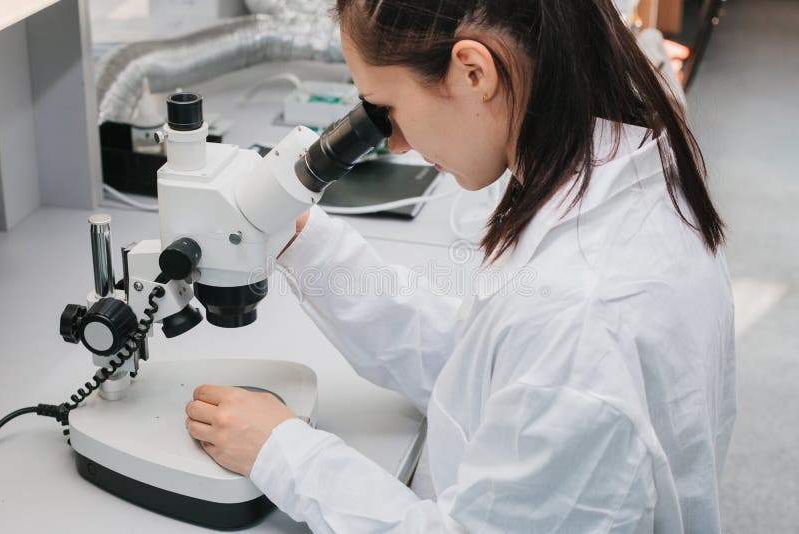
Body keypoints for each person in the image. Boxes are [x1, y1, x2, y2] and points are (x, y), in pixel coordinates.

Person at [184, 1, 736, 532]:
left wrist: (285, 453)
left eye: (386, 109)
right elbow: (481, 366)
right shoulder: (617, 162)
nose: (395, 145)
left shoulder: (580, 317)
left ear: (473, 72)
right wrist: (303, 240)